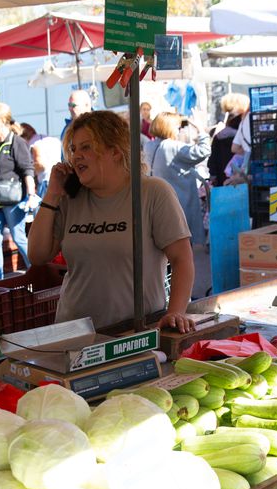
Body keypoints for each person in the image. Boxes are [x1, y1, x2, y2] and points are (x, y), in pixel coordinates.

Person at [29, 111, 195, 333]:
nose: (76, 155)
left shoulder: (152, 192)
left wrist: (175, 312)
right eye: (74, 149)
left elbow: (182, 259)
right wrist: (51, 195)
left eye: (86, 147)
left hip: (133, 331)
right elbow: (38, 255)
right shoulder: (71, 198)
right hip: (72, 331)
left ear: (115, 151)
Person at [0, 103, 36, 281]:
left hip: (13, 201)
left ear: (3, 120)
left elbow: (27, 170)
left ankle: (37, 270)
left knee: (19, 238)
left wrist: (32, 195)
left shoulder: (17, 143)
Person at [149, 112, 211, 249]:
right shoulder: (172, 147)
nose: (179, 130)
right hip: (179, 205)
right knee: (182, 249)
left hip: (157, 204)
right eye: (177, 127)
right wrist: (201, 130)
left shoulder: (149, 146)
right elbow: (204, 151)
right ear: (169, 127)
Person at [208, 93, 248, 188]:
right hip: (244, 182)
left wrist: (214, 178)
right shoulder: (246, 132)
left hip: (223, 184)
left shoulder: (219, 136)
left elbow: (212, 162)